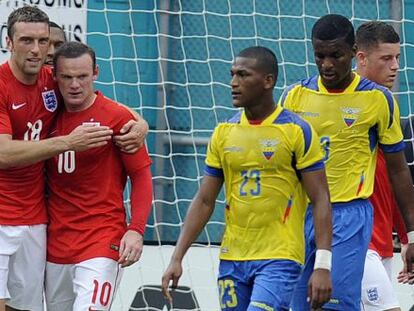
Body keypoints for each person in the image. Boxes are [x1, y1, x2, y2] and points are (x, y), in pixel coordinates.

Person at [161, 46, 333, 311]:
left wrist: (322, 265)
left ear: (268, 81)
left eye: (243, 75)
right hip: (232, 257)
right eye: (232, 74)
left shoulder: (297, 130)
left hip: (280, 257)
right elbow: (205, 200)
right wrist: (176, 257)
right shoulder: (224, 132)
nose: (233, 83)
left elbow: (321, 198)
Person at [0, 6, 147, 311]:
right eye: (27, 40)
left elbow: (99, 102)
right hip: (9, 221)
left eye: (44, 41)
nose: (37, 49)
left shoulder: (50, 81)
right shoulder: (4, 86)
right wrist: (67, 142)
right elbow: (2, 153)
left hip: (42, 225)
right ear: (9, 42)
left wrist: (139, 122)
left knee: (23, 307)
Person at [281, 14, 414, 311]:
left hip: (348, 215)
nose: (327, 64)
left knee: (335, 304)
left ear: (353, 53)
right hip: (301, 215)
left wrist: (411, 233)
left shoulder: (377, 99)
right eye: (320, 56)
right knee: (298, 305)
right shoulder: (294, 97)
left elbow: (398, 168)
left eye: (336, 55)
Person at [44, 41, 153, 311]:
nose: (74, 85)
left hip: (101, 242)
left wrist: (136, 230)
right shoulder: (46, 114)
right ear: (54, 76)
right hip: (54, 246)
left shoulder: (117, 117)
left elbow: (141, 175)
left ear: (96, 73)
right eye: (67, 77)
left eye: (82, 76)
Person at [356, 20, 409, 311]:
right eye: (386, 58)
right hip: (354, 239)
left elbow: (396, 177)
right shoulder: (341, 105)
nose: (395, 66)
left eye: (397, 58)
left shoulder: (387, 103)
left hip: (382, 240)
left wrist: (407, 237)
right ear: (361, 58)